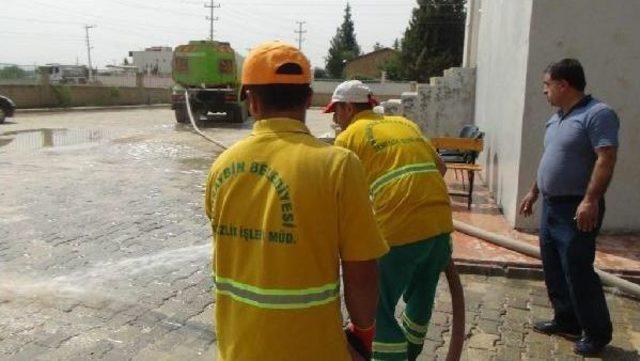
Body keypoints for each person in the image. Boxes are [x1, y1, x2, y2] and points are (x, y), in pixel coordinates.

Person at [204, 42, 389, 361]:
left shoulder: (222, 167)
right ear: (307, 99)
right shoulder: (338, 166)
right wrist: (363, 335)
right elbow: (360, 272)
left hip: (239, 350)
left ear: (251, 102)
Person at [325, 80, 454, 361]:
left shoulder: (348, 137)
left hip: (398, 233)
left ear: (348, 107)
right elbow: (441, 167)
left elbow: (340, 197)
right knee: (422, 295)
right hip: (441, 228)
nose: (335, 119)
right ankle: (412, 352)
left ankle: (388, 356)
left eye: (336, 111)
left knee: (377, 307)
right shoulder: (405, 124)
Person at [519, 58, 619, 356]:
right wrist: (533, 191)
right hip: (551, 205)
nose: (544, 91)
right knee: (553, 267)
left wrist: (590, 200)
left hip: (577, 207)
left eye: (546, 85)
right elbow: (551, 158)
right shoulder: (557, 118)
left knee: (577, 269)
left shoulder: (598, 114)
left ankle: (597, 333)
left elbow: (606, 158)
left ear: (564, 85)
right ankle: (567, 320)